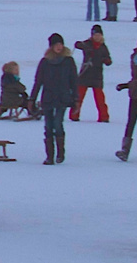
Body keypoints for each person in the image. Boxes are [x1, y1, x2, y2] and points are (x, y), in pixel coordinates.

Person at [31, 33, 78, 165]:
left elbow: (74, 81)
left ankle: (60, 153)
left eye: (60, 44)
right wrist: (32, 99)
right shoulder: (45, 62)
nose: (59, 47)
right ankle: (49, 156)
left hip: (63, 98)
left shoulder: (68, 61)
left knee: (57, 124)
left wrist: (76, 99)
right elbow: (38, 81)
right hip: (48, 98)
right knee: (48, 126)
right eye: (56, 45)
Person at [73, 26, 112, 124]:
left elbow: (108, 58)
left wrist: (107, 61)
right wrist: (82, 46)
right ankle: (74, 115)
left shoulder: (103, 47)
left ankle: (104, 117)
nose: (97, 37)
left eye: (99, 35)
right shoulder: (87, 44)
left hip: (97, 76)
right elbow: (78, 45)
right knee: (79, 97)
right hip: (85, 74)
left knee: (100, 98)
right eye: (95, 35)